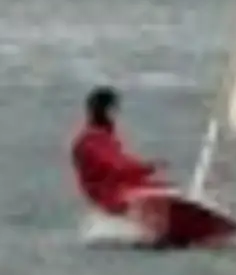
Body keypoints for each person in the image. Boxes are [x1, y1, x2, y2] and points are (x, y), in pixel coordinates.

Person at [70, 87, 167, 228]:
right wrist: (147, 168)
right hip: (113, 197)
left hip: (119, 192)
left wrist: (146, 169)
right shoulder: (91, 140)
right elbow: (116, 167)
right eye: (112, 108)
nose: (115, 113)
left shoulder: (103, 137)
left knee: (165, 188)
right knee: (161, 193)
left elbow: (120, 164)